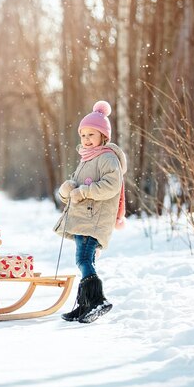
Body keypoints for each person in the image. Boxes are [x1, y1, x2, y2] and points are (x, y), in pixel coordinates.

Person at [54, 100, 127, 324]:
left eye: (91, 135)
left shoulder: (107, 158)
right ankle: (85, 303)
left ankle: (97, 300)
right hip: (82, 217)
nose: (86, 139)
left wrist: (85, 192)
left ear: (103, 136)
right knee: (84, 260)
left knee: (84, 258)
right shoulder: (87, 158)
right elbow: (75, 187)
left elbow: (110, 186)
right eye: (83, 135)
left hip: (94, 218)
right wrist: (68, 190)